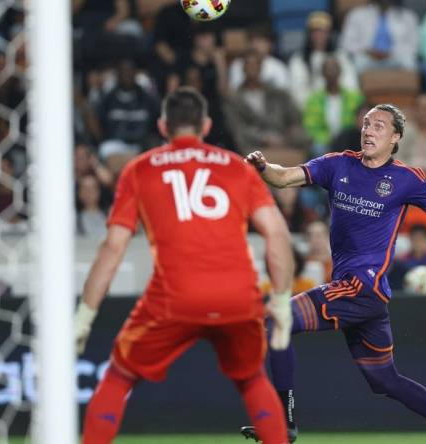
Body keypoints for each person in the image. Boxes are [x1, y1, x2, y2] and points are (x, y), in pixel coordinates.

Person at [240, 103, 426, 444]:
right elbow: (283, 178)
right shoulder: (337, 164)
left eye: (379, 126)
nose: (369, 130)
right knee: (384, 380)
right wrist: (262, 166)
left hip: (362, 287)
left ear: (396, 138)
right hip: (360, 294)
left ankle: (284, 425)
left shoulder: (405, 179)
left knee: (277, 320)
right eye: (367, 124)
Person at [74, 87, 293, 444]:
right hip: (237, 297)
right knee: (252, 379)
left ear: (163, 126)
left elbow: (113, 247)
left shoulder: (138, 170)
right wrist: (281, 302)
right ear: (206, 125)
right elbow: (278, 235)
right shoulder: (238, 168)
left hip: (173, 298)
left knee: (118, 376)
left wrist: (85, 315)